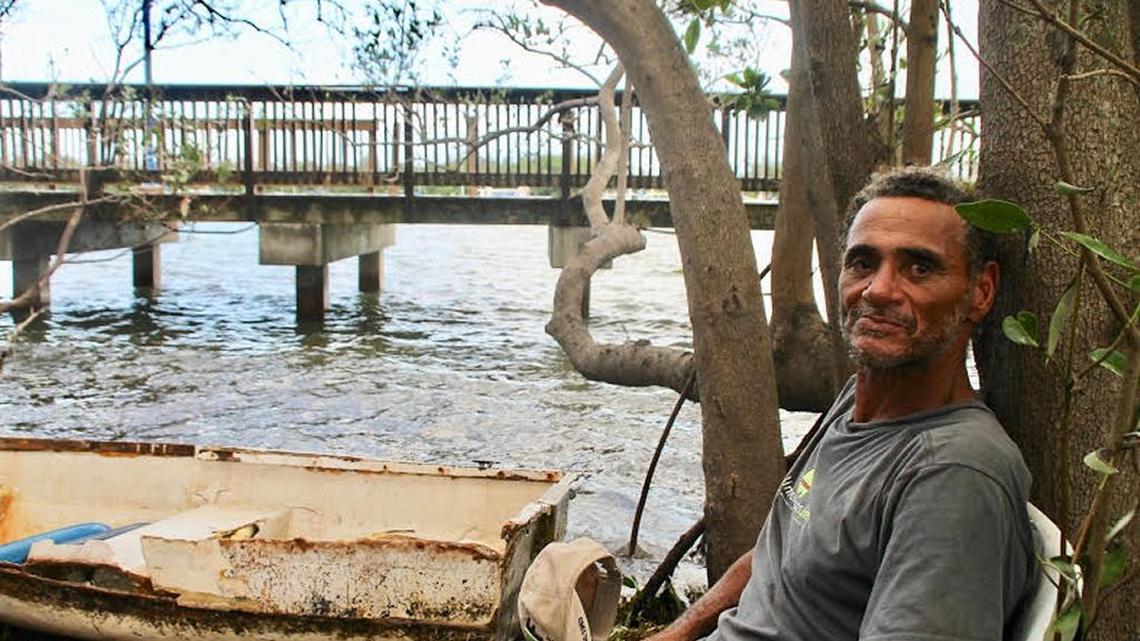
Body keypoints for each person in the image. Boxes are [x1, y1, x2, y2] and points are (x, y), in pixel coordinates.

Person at [653, 166, 1037, 641]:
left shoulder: (952, 473)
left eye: (919, 267)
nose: (878, 290)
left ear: (981, 291)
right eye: (863, 263)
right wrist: (673, 634)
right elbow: (777, 556)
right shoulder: (858, 399)